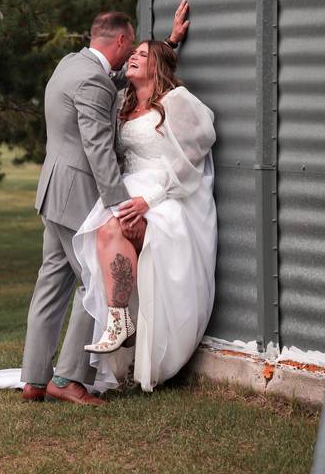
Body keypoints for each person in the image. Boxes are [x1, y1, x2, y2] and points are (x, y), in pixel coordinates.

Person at [19, 1, 190, 406]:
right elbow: (98, 149)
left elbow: (121, 84)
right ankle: (68, 377)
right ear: (120, 39)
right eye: (131, 49)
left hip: (52, 192)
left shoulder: (70, 65)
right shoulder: (94, 82)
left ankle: (34, 378)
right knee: (97, 281)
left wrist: (168, 44)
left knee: (52, 285)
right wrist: (118, 205)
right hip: (77, 194)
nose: (131, 57)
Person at [73, 40, 216, 392]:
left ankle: (121, 323)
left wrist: (149, 200)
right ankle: (120, 321)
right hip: (128, 188)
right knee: (107, 231)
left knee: (110, 228)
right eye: (131, 53)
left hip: (165, 194)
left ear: (158, 65)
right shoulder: (124, 102)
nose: (133, 58)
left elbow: (196, 154)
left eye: (142, 55)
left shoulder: (175, 101)